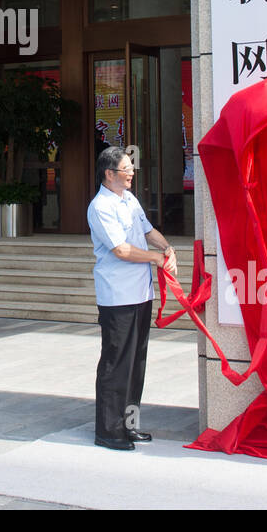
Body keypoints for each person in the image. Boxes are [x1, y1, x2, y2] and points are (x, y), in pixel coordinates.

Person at [87, 145, 177, 451]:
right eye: (127, 170)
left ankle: (129, 425)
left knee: (136, 362)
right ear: (109, 173)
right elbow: (121, 250)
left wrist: (167, 249)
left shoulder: (129, 200)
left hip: (140, 293)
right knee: (117, 363)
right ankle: (109, 431)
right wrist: (156, 258)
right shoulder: (100, 207)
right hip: (117, 297)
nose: (131, 175)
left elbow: (148, 230)